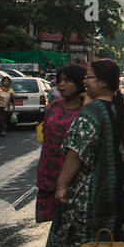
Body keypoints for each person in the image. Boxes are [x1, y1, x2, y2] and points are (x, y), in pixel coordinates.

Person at [46, 59, 124, 247]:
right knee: (116, 239)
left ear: (103, 82)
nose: (86, 83)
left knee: (87, 240)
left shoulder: (92, 112)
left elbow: (75, 152)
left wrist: (62, 185)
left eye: (89, 78)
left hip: (94, 191)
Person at [35, 64, 87, 225]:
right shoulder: (54, 106)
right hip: (49, 170)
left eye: (67, 80)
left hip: (74, 174)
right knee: (54, 222)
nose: (61, 84)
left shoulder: (86, 108)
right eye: (60, 80)